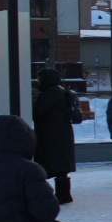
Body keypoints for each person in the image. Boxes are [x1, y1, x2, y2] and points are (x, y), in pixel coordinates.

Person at [33, 68, 80, 203]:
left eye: (40, 79)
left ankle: (57, 195)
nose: (38, 82)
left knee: (48, 166)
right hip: (61, 136)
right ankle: (63, 194)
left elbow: (38, 111)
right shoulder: (60, 92)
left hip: (51, 137)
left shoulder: (50, 94)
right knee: (60, 169)